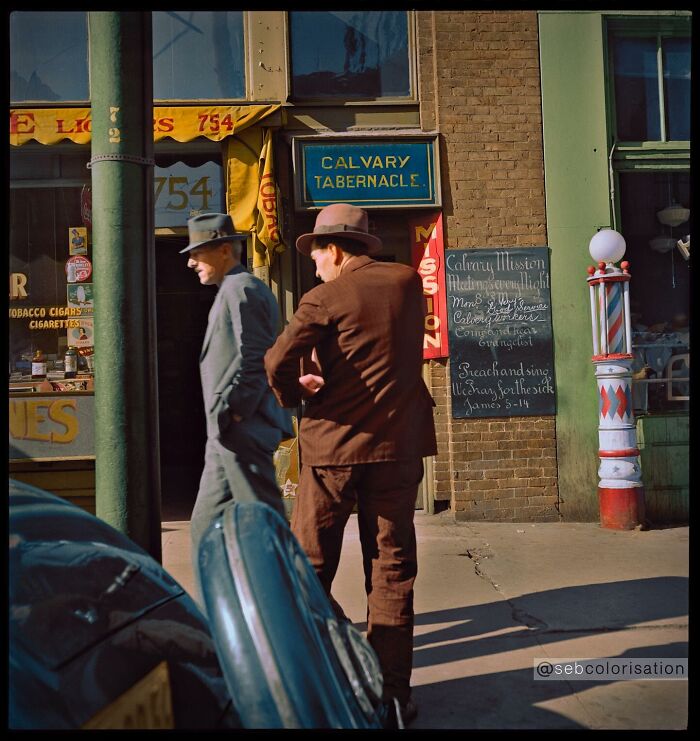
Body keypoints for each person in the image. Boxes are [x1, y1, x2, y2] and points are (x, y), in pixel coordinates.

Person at [264, 203, 437, 725]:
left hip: (334, 449)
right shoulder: (408, 283)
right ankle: (391, 697)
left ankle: (325, 677)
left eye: (317, 254)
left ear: (335, 250)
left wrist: (299, 390)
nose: (314, 265)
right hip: (400, 446)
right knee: (391, 568)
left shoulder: (324, 296)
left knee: (310, 566)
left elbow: (276, 361)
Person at [181, 213, 294, 589]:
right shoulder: (233, 288)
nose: (190, 261)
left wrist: (235, 411)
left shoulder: (241, 288)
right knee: (206, 527)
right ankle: (226, 614)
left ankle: (300, 607)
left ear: (225, 249)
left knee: (266, 526)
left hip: (239, 430)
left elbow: (256, 357)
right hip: (228, 434)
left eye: (197, 252)